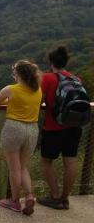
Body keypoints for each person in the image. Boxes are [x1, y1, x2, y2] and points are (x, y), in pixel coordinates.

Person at [0, 59, 42, 215]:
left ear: (18, 74)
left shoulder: (11, 89)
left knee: (14, 169)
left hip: (14, 128)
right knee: (22, 166)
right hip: (32, 129)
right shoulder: (37, 90)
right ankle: (29, 196)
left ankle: (14, 201)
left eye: (14, 72)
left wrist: (9, 100)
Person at [38, 46, 83, 210]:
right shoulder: (76, 79)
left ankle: (55, 195)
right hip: (74, 125)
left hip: (54, 126)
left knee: (46, 161)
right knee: (70, 161)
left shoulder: (47, 78)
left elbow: (38, 99)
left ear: (51, 62)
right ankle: (65, 198)